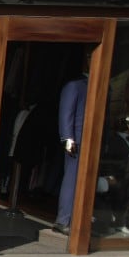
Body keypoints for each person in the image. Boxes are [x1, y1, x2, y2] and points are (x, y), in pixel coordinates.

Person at [54, 58, 90, 234]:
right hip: (77, 139)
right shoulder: (75, 85)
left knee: (87, 180)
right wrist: (67, 137)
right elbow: (66, 111)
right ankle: (63, 219)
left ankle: (79, 217)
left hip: (93, 140)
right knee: (72, 178)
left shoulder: (101, 86)